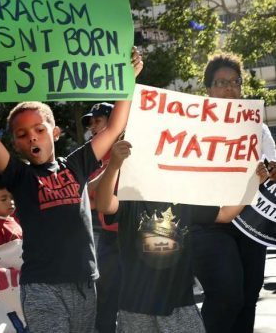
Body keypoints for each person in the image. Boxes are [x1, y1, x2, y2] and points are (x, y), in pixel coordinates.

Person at [0, 47, 143, 332]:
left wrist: (130, 77)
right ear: (15, 144)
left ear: (54, 133)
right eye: (22, 135)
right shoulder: (19, 175)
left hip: (84, 284)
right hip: (41, 287)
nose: (32, 137)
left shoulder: (77, 163)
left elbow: (115, 126)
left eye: (39, 130)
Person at [94, 140, 270, 333]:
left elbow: (225, 214)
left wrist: (253, 185)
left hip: (180, 305)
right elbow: (103, 204)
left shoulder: (184, 202)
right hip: (135, 307)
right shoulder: (131, 200)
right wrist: (113, 167)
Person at [191, 52, 276, 333]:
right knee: (227, 294)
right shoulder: (194, 127)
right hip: (210, 223)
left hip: (252, 222)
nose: (229, 88)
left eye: (234, 82)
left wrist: (271, 171)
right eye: (221, 82)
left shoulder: (257, 127)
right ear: (208, 90)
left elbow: (272, 165)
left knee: (248, 296)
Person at [82, 102, 121, 333]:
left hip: (133, 236)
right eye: (90, 123)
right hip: (107, 237)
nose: (92, 127)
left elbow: (96, 198)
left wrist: (98, 195)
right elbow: (85, 196)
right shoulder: (91, 155)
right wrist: (113, 169)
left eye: (97, 121)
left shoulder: (129, 148)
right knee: (105, 299)